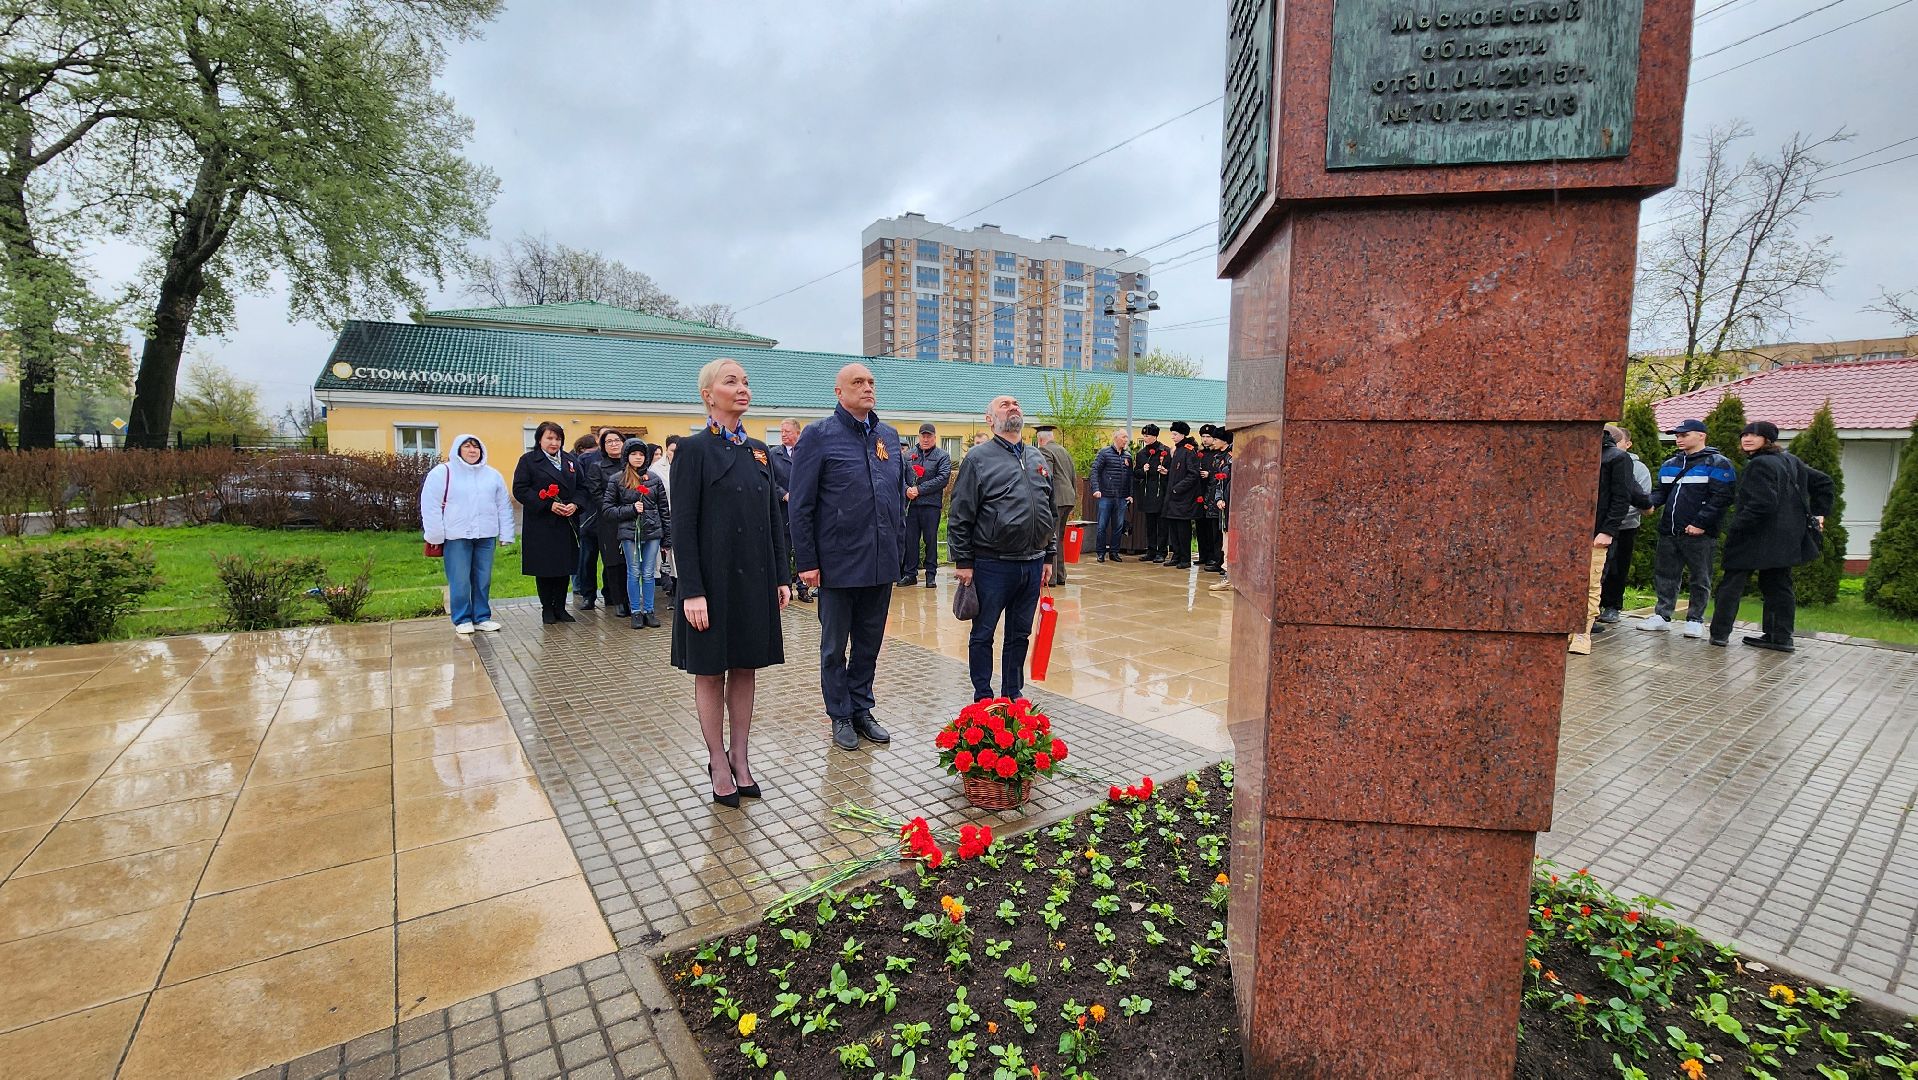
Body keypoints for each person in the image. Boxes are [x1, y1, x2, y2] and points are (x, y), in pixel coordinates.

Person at [671, 358, 790, 807]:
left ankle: (741, 758)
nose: (742, 388)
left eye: (745, 381)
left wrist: (781, 575)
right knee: (709, 671)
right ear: (708, 394)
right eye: (731, 381)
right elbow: (682, 526)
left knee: (745, 667)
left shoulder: (759, 450)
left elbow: (773, 520)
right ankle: (717, 760)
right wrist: (692, 590)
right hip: (711, 584)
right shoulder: (692, 450)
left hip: (754, 581)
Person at [789, 364, 906, 751]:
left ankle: (861, 709)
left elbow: (895, 498)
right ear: (839, 392)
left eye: (871, 381)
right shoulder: (818, 436)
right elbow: (801, 505)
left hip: (880, 562)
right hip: (837, 563)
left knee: (869, 643)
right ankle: (839, 714)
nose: (868, 387)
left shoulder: (887, 435)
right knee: (835, 646)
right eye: (858, 382)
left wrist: (899, 552)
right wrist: (806, 561)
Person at [947, 394, 1056, 702]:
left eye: (1017, 403)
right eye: (1004, 405)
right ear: (990, 420)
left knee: (1019, 634)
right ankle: (983, 696)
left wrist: (1049, 555)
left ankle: (1012, 695)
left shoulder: (1038, 458)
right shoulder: (978, 458)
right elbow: (960, 514)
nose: (1013, 407)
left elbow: (1050, 511)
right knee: (983, 634)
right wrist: (963, 561)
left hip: (1032, 562)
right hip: (992, 564)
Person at [1708, 421, 1834, 652]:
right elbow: (1824, 482)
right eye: (1744, 434)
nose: (1747, 438)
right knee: (1778, 585)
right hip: (1786, 538)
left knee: (1731, 584)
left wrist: (1738, 526)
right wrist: (1819, 514)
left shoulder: (1760, 464)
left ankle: (1719, 635)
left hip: (1755, 536)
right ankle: (1779, 637)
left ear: (1768, 439)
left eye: (1755, 435)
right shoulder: (1790, 460)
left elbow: (1763, 503)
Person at [1639, 418, 1737, 638]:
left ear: (1701, 436)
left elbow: (1722, 498)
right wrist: (1649, 503)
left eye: (1684, 435)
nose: (1679, 439)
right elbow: (1661, 492)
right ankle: (1662, 616)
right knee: (1665, 575)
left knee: (1700, 577)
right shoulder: (1670, 464)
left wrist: (1700, 523)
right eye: (1677, 435)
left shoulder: (1718, 463)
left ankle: (1695, 619)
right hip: (1669, 531)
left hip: (1700, 534)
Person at [421, 433, 515, 634]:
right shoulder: (442, 473)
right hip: (456, 535)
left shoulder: (492, 475)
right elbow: (430, 505)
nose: (472, 451)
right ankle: (462, 618)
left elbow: (503, 506)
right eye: (467, 447)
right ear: (458, 449)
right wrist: (435, 535)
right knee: (460, 578)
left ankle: (482, 616)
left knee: (483, 578)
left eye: (476, 447)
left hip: (485, 535)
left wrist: (506, 534)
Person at [1572, 427, 1648, 655]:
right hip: (1570, 533)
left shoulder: (1616, 457)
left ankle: (1582, 634)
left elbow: (1622, 495)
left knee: (1591, 583)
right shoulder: (1574, 452)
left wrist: (1608, 530)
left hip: (1596, 532)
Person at [512, 421, 584, 624]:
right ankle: (547, 608)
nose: (554, 443)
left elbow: (583, 488)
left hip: (566, 522)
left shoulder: (570, 461)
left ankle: (561, 607)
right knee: (545, 567)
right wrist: (547, 505)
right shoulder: (528, 461)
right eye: (549, 438)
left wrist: (575, 505)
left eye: (558, 439)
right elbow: (520, 489)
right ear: (539, 440)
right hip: (542, 523)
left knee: (563, 566)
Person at [602, 438, 672, 630]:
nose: (638, 458)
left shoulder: (654, 479)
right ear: (627, 456)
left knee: (649, 573)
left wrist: (667, 536)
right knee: (634, 572)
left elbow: (663, 509)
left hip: (652, 532)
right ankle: (635, 612)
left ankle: (649, 611)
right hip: (630, 533)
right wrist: (631, 509)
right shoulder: (617, 479)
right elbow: (607, 510)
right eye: (634, 454)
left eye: (641, 454)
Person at [1598, 424, 1653, 625]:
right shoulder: (1600, 457)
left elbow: (1632, 495)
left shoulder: (1628, 463)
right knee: (1600, 572)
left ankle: (1612, 606)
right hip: (1601, 525)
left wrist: (1613, 523)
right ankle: (1592, 611)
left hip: (1623, 525)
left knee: (1617, 569)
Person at [577, 428, 628, 615]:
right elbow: (597, 495)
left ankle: (624, 597)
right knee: (610, 561)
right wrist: (616, 509)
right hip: (607, 520)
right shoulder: (597, 467)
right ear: (603, 446)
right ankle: (605, 598)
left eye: (617, 440)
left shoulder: (630, 465)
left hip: (630, 519)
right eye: (609, 441)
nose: (614, 444)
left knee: (628, 562)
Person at [898, 423, 953, 588]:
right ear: (918, 437)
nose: (926, 439)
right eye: (923, 436)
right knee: (911, 540)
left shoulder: (942, 455)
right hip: (911, 505)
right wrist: (907, 489)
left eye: (929, 436)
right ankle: (910, 574)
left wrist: (919, 489)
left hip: (931, 505)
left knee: (930, 539)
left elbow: (943, 478)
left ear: (935, 437)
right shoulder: (908, 455)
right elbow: (898, 476)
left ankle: (931, 575)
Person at [769, 419, 813, 603]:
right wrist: (784, 494)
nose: (784, 434)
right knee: (784, 549)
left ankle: (803, 588)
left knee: (803, 548)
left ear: (797, 433)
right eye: (782, 432)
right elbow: (770, 481)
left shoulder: (807, 453)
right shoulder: (773, 454)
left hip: (804, 511)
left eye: (787, 431)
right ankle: (785, 586)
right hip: (783, 511)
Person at [1034, 426, 1078, 587]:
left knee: (1051, 537)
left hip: (1056, 500)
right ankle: (1061, 575)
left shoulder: (1045, 451)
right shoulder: (1063, 450)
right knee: (1059, 538)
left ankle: (1050, 578)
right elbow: (1073, 475)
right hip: (1068, 498)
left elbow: (1047, 477)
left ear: (1040, 439)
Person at [1162, 421, 1202, 570]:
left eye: (1175, 434)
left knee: (1183, 530)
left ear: (1182, 434)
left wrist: (1177, 488)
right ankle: (1176, 555)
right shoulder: (1177, 450)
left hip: (1183, 498)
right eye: (1172, 434)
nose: (1172, 437)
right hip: (1173, 498)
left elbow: (1193, 474)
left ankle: (1185, 558)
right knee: (1173, 528)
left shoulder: (1188, 450)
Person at [1090, 429, 1133, 563]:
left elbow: (1130, 477)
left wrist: (1130, 494)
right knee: (1102, 526)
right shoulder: (1104, 453)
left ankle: (1114, 552)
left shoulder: (1128, 456)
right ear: (1116, 438)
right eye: (1123, 437)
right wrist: (1096, 489)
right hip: (1106, 496)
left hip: (1121, 497)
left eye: (1127, 437)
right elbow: (1095, 471)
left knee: (1118, 526)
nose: (1126, 440)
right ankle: (1101, 552)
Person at [1132, 424, 1171, 562]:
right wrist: (1143, 470)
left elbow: (1172, 473)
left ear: (1155, 436)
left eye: (1147, 436)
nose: (1145, 438)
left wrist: (1166, 472)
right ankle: (1151, 550)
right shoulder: (1142, 454)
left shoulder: (1165, 451)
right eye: (1144, 435)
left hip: (1161, 493)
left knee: (1162, 525)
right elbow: (1136, 473)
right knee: (1150, 525)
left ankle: (1162, 551)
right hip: (1147, 494)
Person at [1207, 429, 1235, 592]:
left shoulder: (1242, 464)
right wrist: (1219, 499)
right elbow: (1219, 484)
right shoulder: (1226, 463)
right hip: (1226, 510)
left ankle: (1231, 577)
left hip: (1237, 512)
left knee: (1233, 545)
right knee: (1227, 544)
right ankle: (1228, 576)